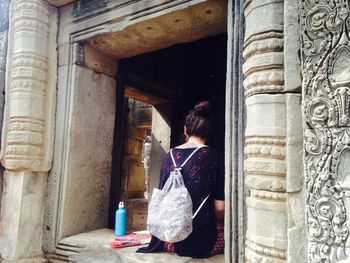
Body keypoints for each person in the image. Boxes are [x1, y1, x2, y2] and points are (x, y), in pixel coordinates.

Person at [137, 101, 225, 258]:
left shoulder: (169, 156)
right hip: (200, 243)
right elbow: (220, 208)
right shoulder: (215, 157)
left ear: (186, 129)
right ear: (209, 131)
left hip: (168, 239)